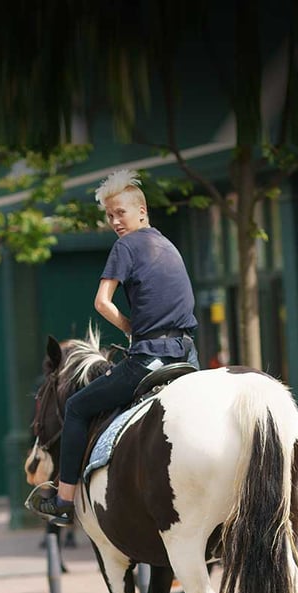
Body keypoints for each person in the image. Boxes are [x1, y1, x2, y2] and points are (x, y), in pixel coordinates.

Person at [26, 169, 199, 526]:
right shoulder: (167, 244)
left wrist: (129, 327)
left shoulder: (126, 246)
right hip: (188, 355)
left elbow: (102, 303)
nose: (114, 221)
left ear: (141, 210)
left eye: (120, 212)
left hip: (151, 357)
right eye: (109, 215)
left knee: (75, 407)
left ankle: (63, 499)